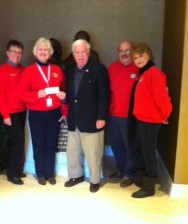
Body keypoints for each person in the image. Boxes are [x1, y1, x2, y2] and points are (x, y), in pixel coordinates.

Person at [18, 37, 66, 185]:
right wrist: (35, 95)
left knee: (51, 143)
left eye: (46, 49)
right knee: (38, 143)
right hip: (36, 113)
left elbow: (64, 90)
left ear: (50, 53)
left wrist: (63, 96)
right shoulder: (29, 71)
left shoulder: (57, 70)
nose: (43, 52)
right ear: (35, 52)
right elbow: (21, 93)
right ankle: (40, 173)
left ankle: (50, 173)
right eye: (40, 49)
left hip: (54, 112)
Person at [64, 39, 109, 193]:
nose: (80, 55)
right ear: (73, 54)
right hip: (73, 119)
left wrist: (101, 117)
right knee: (73, 151)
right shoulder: (69, 70)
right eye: (77, 52)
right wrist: (64, 98)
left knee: (93, 152)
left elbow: (104, 96)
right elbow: (71, 95)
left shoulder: (99, 69)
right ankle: (76, 176)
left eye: (83, 52)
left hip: (92, 120)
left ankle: (95, 180)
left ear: (88, 53)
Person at [130, 42, 172, 198]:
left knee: (148, 152)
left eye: (141, 56)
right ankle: (144, 179)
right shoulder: (144, 74)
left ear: (148, 55)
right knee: (141, 149)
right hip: (143, 119)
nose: (138, 60)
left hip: (151, 120)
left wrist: (165, 116)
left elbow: (163, 98)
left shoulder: (154, 74)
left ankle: (149, 188)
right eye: (135, 58)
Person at [107, 41, 139, 187]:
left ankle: (130, 174)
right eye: (121, 51)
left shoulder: (138, 68)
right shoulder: (112, 68)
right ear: (118, 53)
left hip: (130, 117)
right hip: (113, 115)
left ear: (132, 52)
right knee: (116, 145)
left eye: (127, 50)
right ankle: (121, 169)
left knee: (129, 147)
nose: (124, 53)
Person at [0, 40, 26, 185]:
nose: (17, 55)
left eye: (19, 52)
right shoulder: (2, 71)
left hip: (22, 111)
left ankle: (17, 170)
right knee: (16, 142)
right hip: (10, 113)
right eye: (14, 52)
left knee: (19, 142)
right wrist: (5, 115)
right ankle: (12, 174)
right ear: (8, 53)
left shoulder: (23, 69)